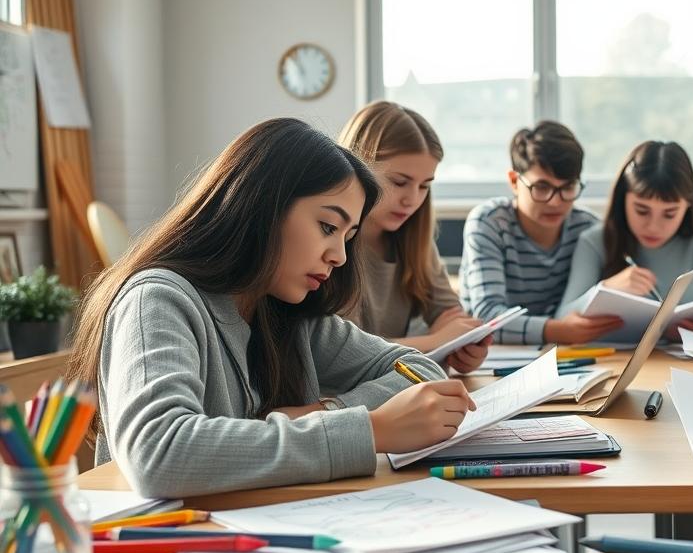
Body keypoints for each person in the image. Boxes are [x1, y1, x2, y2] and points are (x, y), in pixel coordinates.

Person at [70, 119, 476, 498]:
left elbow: (417, 370)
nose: (340, 257)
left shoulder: (283, 310)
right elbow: (158, 451)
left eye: (348, 237)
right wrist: (368, 429)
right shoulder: (156, 299)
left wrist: (322, 411)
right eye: (328, 227)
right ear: (262, 206)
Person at [337, 101, 486, 373]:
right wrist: (437, 341)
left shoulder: (413, 238)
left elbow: (448, 314)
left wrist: (462, 346)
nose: (412, 199)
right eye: (399, 182)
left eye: (424, 186)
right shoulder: (331, 244)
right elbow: (341, 355)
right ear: (358, 168)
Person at [557, 140, 693, 343]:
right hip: (613, 365)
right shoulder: (594, 241)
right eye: (641, 211)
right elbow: (562, 318)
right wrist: (606, 288)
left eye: (669, 214)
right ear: (623, 198)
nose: (653, 226)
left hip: (686, 365)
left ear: (688, 204)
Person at [459, 121, 622, 345]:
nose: (555, 202)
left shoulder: (587, 228)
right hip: (488, 357)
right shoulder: (490, 223)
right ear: (515, 181)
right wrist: (556, 330)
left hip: (560, 354)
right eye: (542, 188)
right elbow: (486, 318)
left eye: (567, 188)